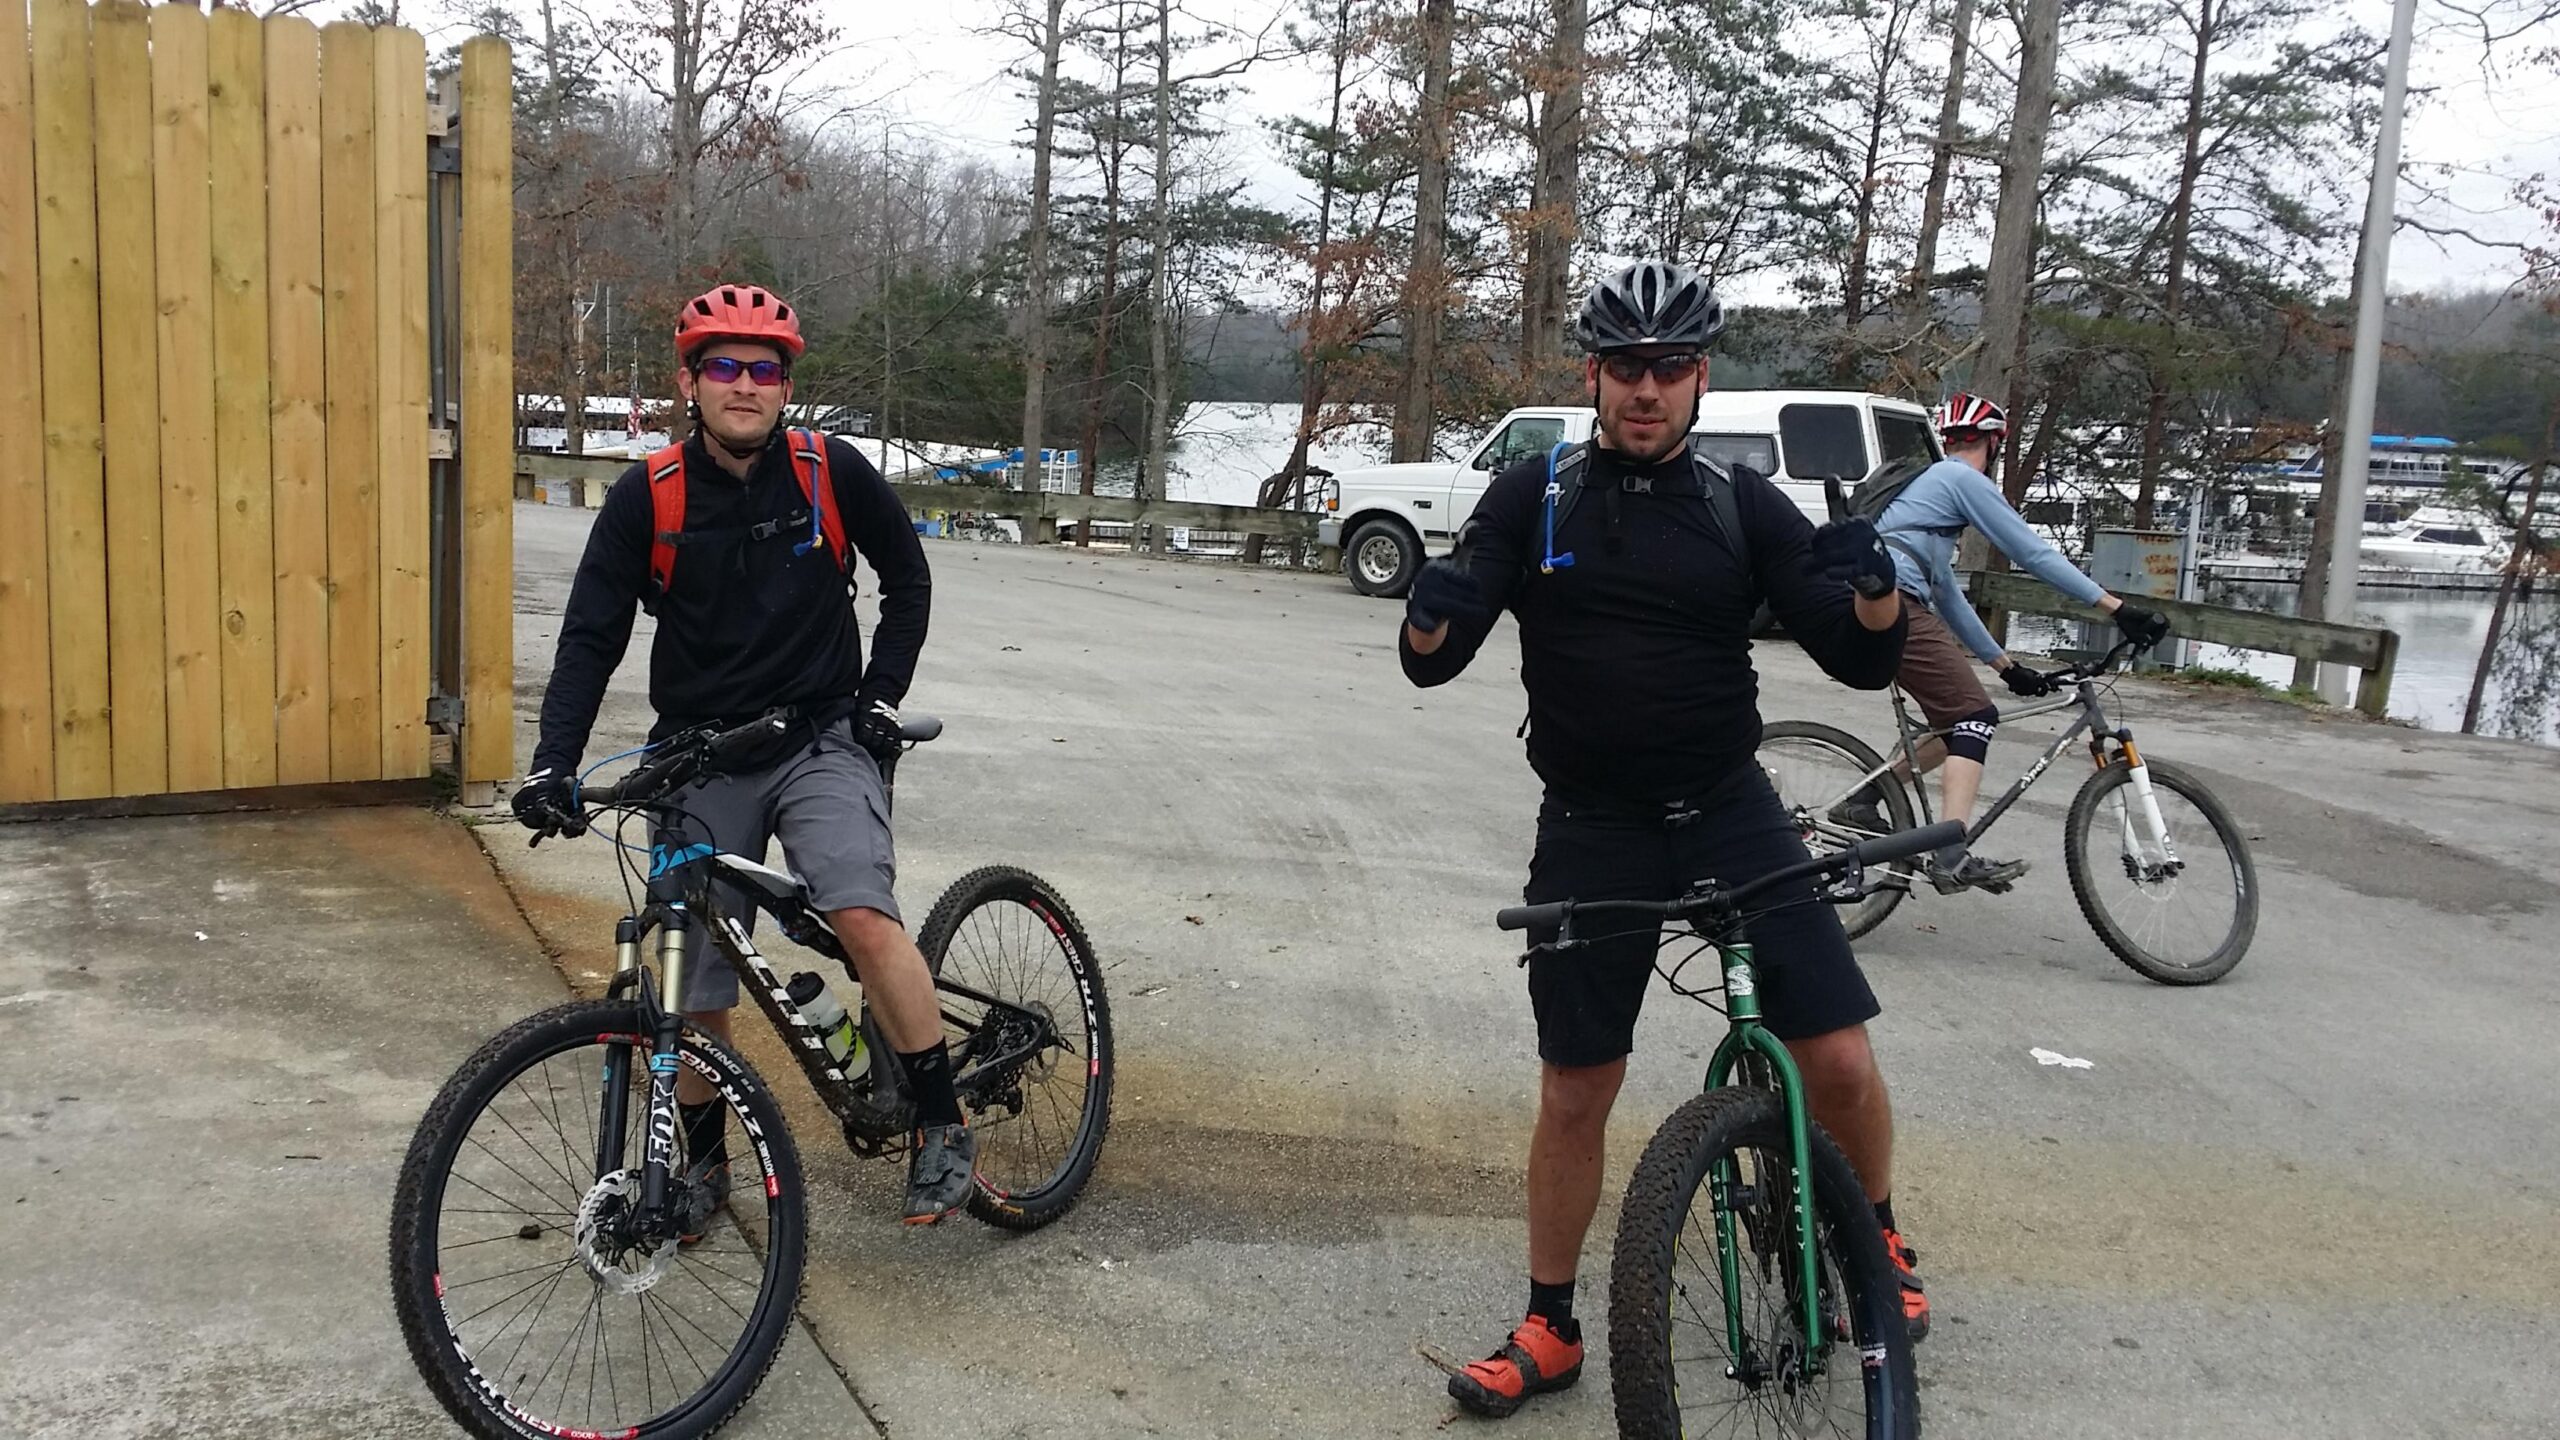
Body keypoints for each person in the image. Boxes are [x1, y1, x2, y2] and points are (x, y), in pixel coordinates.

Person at [1401, 260, 1923, 1421]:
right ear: (1592, 373)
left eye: (1669, 369)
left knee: (1835, 1059)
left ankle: (1873, 1242)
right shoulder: (1532, 497)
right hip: (1593, 825)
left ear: (1699, 378)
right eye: (1626, 368)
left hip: (1729, 811)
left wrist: (1878, 591)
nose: (1646, 390)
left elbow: (1861, 659)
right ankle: (1550, 1323)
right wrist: (1432, 605)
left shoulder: (1740, 503)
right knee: (1577, 1086)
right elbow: (1431, 660)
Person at [509, 283, 973, 1226]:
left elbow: (907, 579)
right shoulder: (651, 497)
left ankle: (939, 1119)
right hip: (698, 757)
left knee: (857, 911)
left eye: (765, 369)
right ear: (690, 382)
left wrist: (879, 698)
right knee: (685, 967)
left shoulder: (829, 473)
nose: (746, 385)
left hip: (820, 739)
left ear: (785, 387)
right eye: (724, 366)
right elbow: (590, 637)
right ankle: (708, 1167)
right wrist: (552, 765)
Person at [1840, 393, 2171, 891]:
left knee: (1955, 727)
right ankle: (1951, 854)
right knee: (1976, 717)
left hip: (1870, 605)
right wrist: (2117, 609)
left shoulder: (1930, 493)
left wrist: (2004, 665)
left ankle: (1863, 800)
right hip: (1895, 606)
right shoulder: (1960, 479)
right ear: (1996, 443)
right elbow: (2033, 555)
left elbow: (1947, 594)